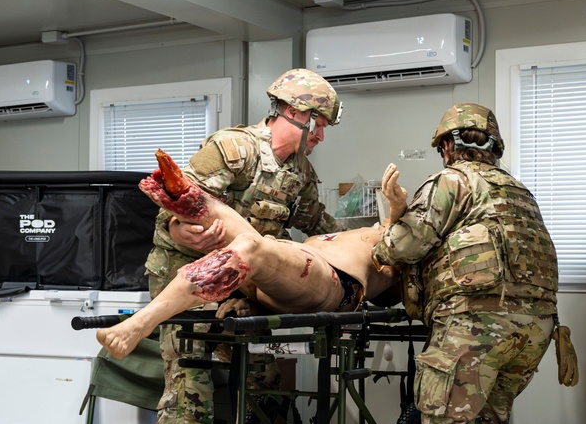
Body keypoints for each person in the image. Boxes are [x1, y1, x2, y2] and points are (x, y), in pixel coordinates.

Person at [142, 68, 346, 424]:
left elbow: (322, 227)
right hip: (186, 289)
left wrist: (362, 249)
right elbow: (171, 212)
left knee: (270, 385)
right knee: (191, 395)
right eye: (317, 124)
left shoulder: (300, 173)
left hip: (242, 294)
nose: (320, 136)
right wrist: (178, 230)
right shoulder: (232, 150)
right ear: (294, 113)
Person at [372, 103, 559, 424]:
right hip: (534, 327)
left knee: (444, 423)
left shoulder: (451, 182)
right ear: (494, 146)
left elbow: (404, 246)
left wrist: (383, 236)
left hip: (476, 322)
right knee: (492, 418)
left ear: (448, 145)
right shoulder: (519, 191)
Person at [97, 153, 397, 359]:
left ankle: (140, 323)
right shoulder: (356, 232)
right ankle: (183, 199)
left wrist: (397, 208)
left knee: (251, 247)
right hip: (292, 269)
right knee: (218, 218)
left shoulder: (392, 245)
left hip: (335, 283)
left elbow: (404, 255)